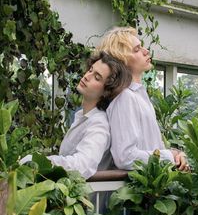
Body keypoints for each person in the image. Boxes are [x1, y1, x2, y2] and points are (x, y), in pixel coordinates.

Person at [20, 51, 132, 179]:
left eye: (97, 77)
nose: (87, 76)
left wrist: (37, 161)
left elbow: (83, 165)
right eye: (90, 70)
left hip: (86, 197)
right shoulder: (82, 115)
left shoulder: (99, 124)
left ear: (107, 91)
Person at [97, 27, 188, 171]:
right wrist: (169, 156)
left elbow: (152, 146)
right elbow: (125, 157)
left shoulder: (138, 96)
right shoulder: (124, 98)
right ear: (122, 60)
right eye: (137, 49)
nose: (146, 51)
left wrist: (176, 154)